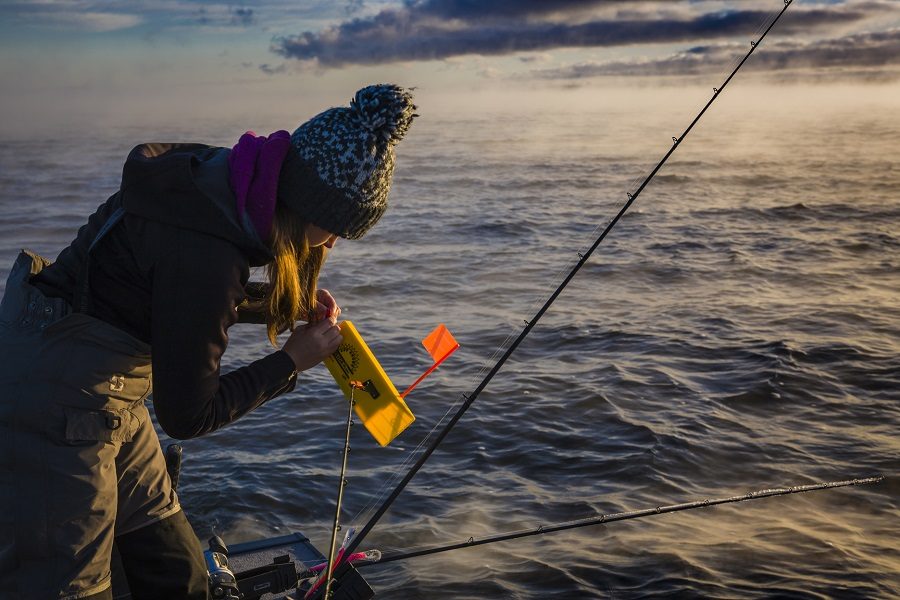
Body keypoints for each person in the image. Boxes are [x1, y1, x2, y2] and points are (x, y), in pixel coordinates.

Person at [0, 84, 416, 600]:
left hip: (105, 388)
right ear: (305, 203)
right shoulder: (209, 254)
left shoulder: (220, 181)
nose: (330, 244)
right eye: (333, 229)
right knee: (73, 591)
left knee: (176, 571)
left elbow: (171, 292)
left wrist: (278, 305)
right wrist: (291, 361)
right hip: (54, 401)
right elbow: (189, 414)